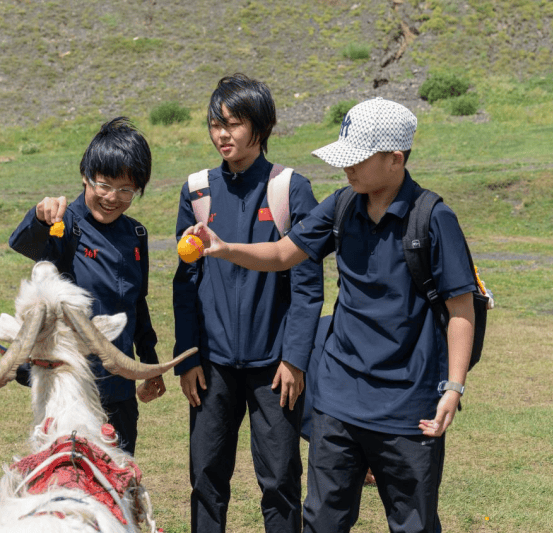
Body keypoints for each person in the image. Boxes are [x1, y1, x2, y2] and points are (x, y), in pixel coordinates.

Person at [186, 97, 477, 533]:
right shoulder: (343, 205)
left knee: (413, 523)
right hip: (338, 400)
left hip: (407, 405)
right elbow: (285, 253)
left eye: (357, 159)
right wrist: (225, 248)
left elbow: (461, 310)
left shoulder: (433, 219)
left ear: (395, 159)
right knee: (322, 520)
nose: (347, 169)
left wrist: (453, 388)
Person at [172, 73, 323, 533]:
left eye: (235, 124)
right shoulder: (196, 190)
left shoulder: (289, 188)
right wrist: (188, 358)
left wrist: (295, 359)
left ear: (261, 127)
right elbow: (185, 282)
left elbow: (308, 284)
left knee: (279, 479)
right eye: (216, 124)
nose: (223, 134)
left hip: (273, 368)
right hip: (211, 365)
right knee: (205, 477)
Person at [8, 116, 164, 456]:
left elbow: (137, 303)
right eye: (104, 185)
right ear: (85, 176)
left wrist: (150, 364)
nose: (113, 198)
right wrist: (38, 217)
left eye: (127, 190)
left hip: (119, 381)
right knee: (67, 472)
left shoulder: (136, 235)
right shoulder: (65, 224)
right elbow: (26, 245)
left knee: (118, 473)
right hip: (69, 385)